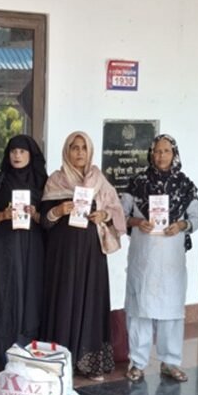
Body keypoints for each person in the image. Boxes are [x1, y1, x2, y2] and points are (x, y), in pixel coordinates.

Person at [40, 131, 126, 381]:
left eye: (83, 148)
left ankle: (89, 363)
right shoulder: (56, 180)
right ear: (66, 151)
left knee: (90, 302)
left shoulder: (99, 180)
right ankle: (60, 363)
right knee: (64, 301)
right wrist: (58, 210)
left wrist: (104, 215)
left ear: (90, 151)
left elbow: (116, 211)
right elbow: (44, 221)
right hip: (63, 256)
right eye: (74, 147)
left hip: (91, 255)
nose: (79, 152)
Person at [122, 134, 198, 383]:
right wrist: (137, 221)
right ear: (151, 153)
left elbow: (196, 219)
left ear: (174, 154)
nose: (161, 156)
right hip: (144, 258)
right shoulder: (137, 183)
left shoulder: (185, 186)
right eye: (157, 151)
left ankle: (170, 362)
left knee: (171, 311)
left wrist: (181, 225)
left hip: (171, 261)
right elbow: (120, 216)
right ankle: (137, 363)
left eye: (166, 151)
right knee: (140, 311)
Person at [0, 135, 48, 366]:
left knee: (31, 292)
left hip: (34, 246)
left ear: (31, 155)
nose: (17, 156)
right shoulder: (0, 181)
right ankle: (5, 351)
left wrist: (36, 214)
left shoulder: (43, 182)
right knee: (6, 291)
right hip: (6, 246)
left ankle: (30, 349)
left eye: (22, 151)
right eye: (13, 151)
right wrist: (2, 215)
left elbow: (51, 218)